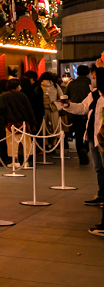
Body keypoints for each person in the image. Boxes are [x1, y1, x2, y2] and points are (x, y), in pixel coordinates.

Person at [57, 65, 104, 208]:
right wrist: (67, 106)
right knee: (98, 167)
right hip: (92, 135)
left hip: (102, 136)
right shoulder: (94, 94)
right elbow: (82, 108)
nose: (93, 79)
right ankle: (101, 194)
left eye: (95, 76)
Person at [0, 79, 37, 170]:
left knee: (12, 143)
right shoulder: (23, 95)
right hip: (24, 123)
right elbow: (29, 110)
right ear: (17, 86)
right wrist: (33, 123)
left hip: (10, 123)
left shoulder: (4, 96)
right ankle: (26, 161)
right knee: (26, 143)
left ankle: (15, 161)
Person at [67, 65, 93, 165]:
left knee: (78, 134)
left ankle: (81, 155)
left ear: (77, 73)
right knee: (88, 132)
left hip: (75, 111)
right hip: (88, 112)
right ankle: (86, 148)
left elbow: (67, 96)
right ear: (88, 73)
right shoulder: (90, 83)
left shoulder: (71, 83)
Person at [37, 72, 63, 148]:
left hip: (42, 108)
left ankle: (46, 144)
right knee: (55, 127)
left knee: (43, 127)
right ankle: (54, 144)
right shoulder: (55, 85)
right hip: (53, 108)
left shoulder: (39, 85)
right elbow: (61, 96)